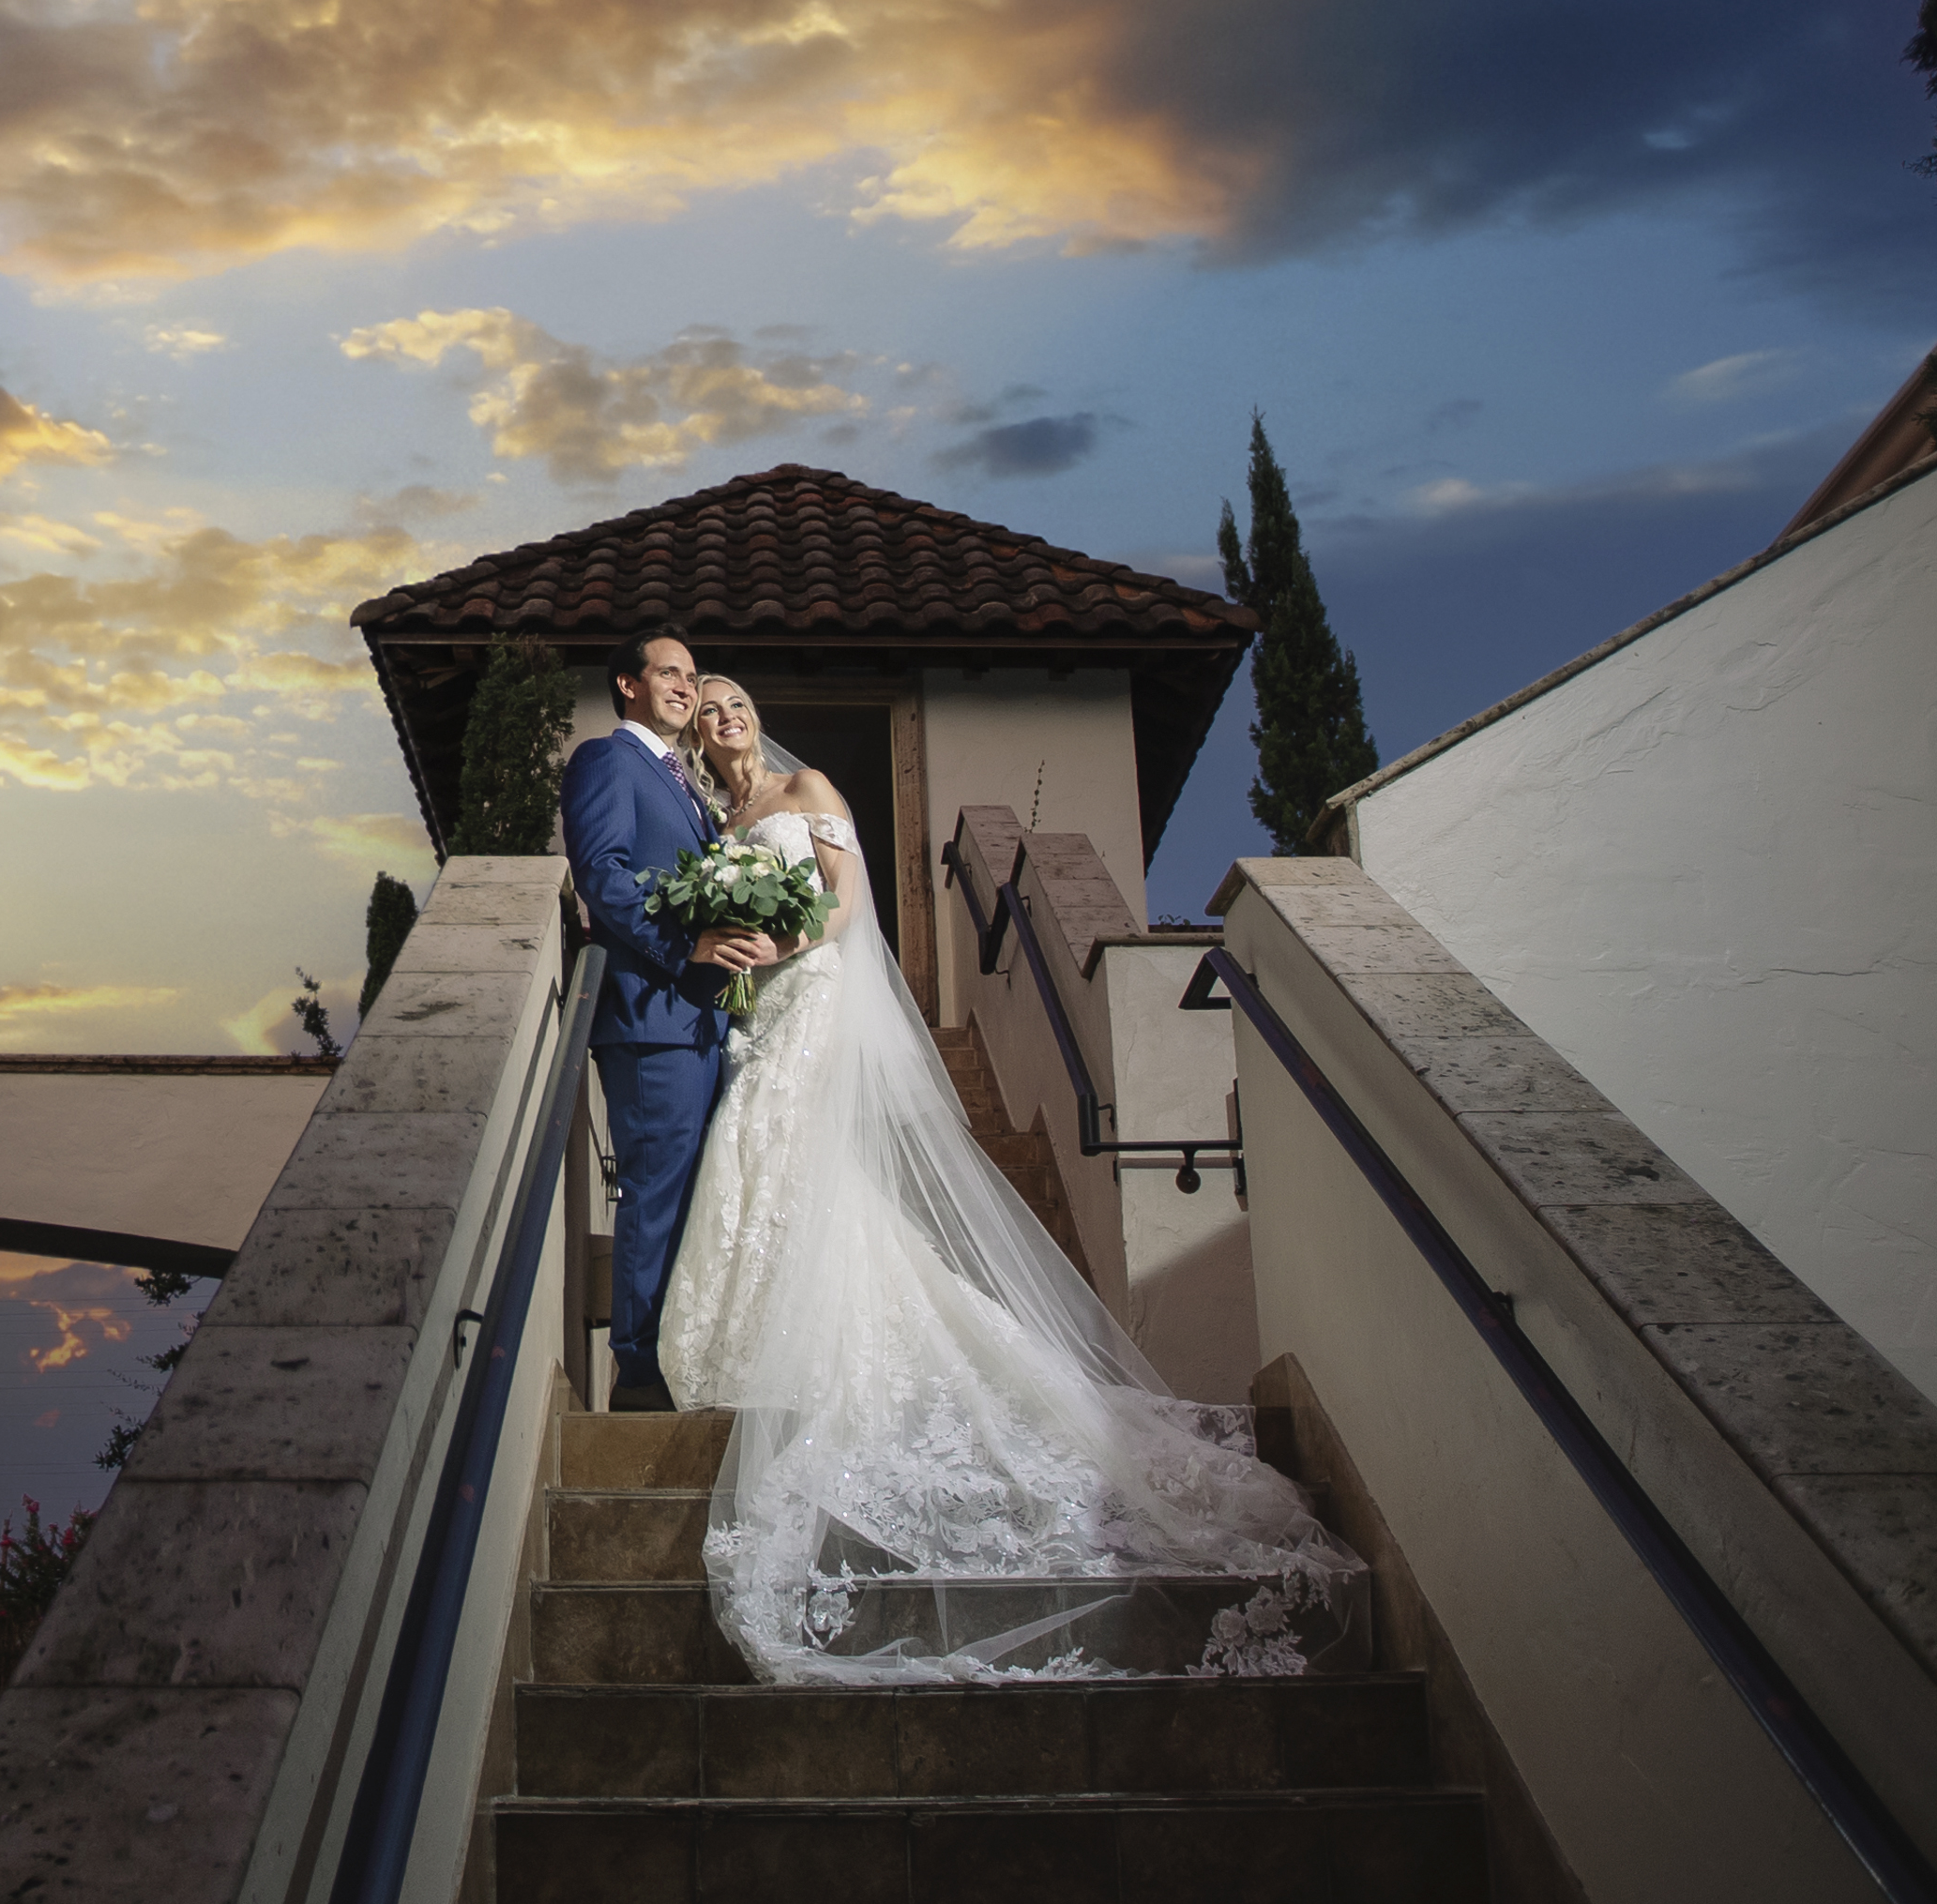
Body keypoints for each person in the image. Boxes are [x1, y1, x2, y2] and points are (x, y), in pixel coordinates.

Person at [658, 676, 1367, 1682]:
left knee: (783, 1142)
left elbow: (846, 906)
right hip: (755, 1003)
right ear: (692, 731)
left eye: (735, 700)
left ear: (756, 717)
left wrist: (780, 941)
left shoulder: (806, 784)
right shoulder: (719, 816)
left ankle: (809, 1340)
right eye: (707, 707)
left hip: (808, 990)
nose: (723, 714)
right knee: (759, 1154)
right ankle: (748, 1334)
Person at [555, 629, 780, 1413]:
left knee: (700, 1194)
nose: (685, 687)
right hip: (651, 1019)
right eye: (669, 674)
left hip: (700, 1022)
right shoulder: (607, 761)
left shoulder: (681, 780)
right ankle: (640, 1374)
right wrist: (688, 947)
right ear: (627, 683)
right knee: (655, 1192)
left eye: (691, 675)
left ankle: (686, 1355)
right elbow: (604, 878)